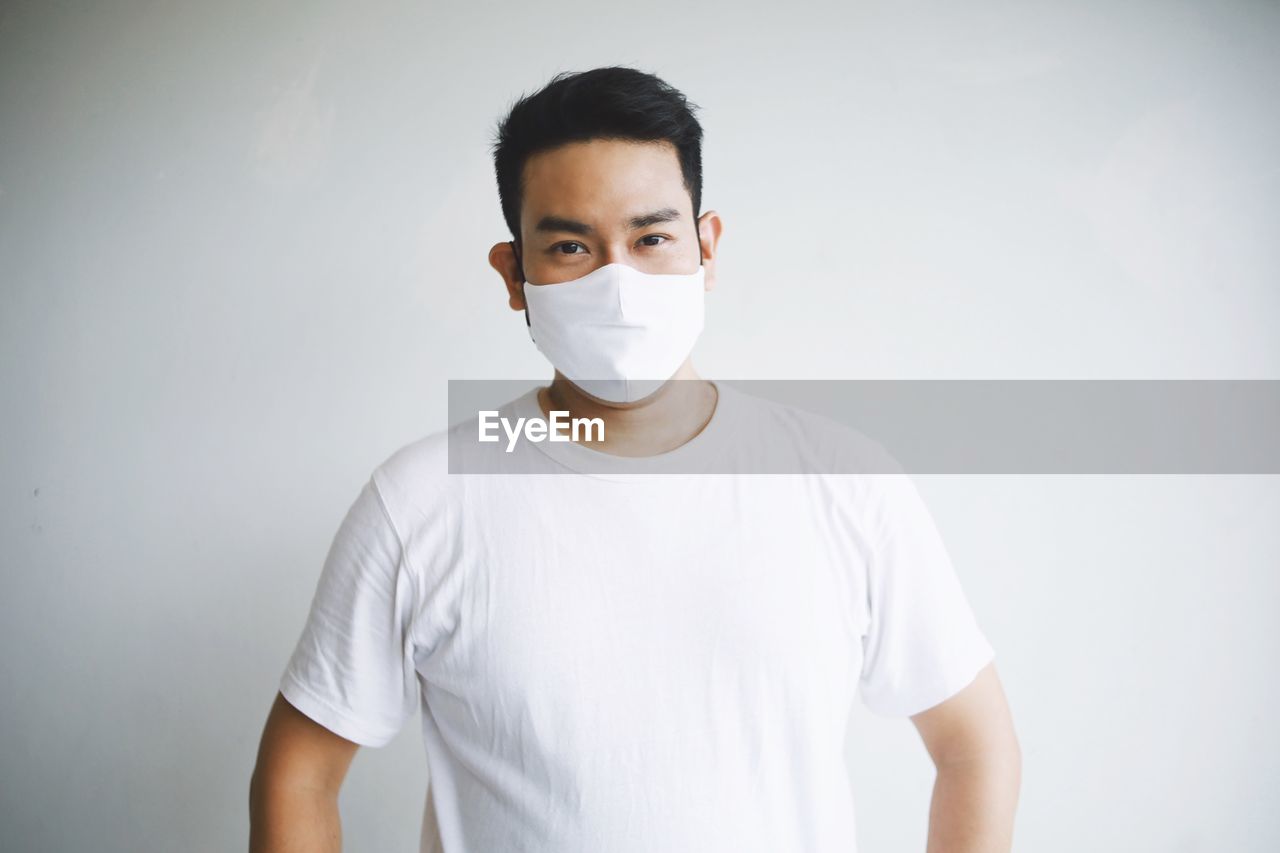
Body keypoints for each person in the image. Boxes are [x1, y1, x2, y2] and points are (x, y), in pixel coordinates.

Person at [249, 65, 1021, 853]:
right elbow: (299, 773)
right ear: (514, 274)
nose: (618, 284)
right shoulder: (422, 501)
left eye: (651, 237)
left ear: (706, 247)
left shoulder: (841, 480)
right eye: (571, 246)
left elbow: (973, 743)